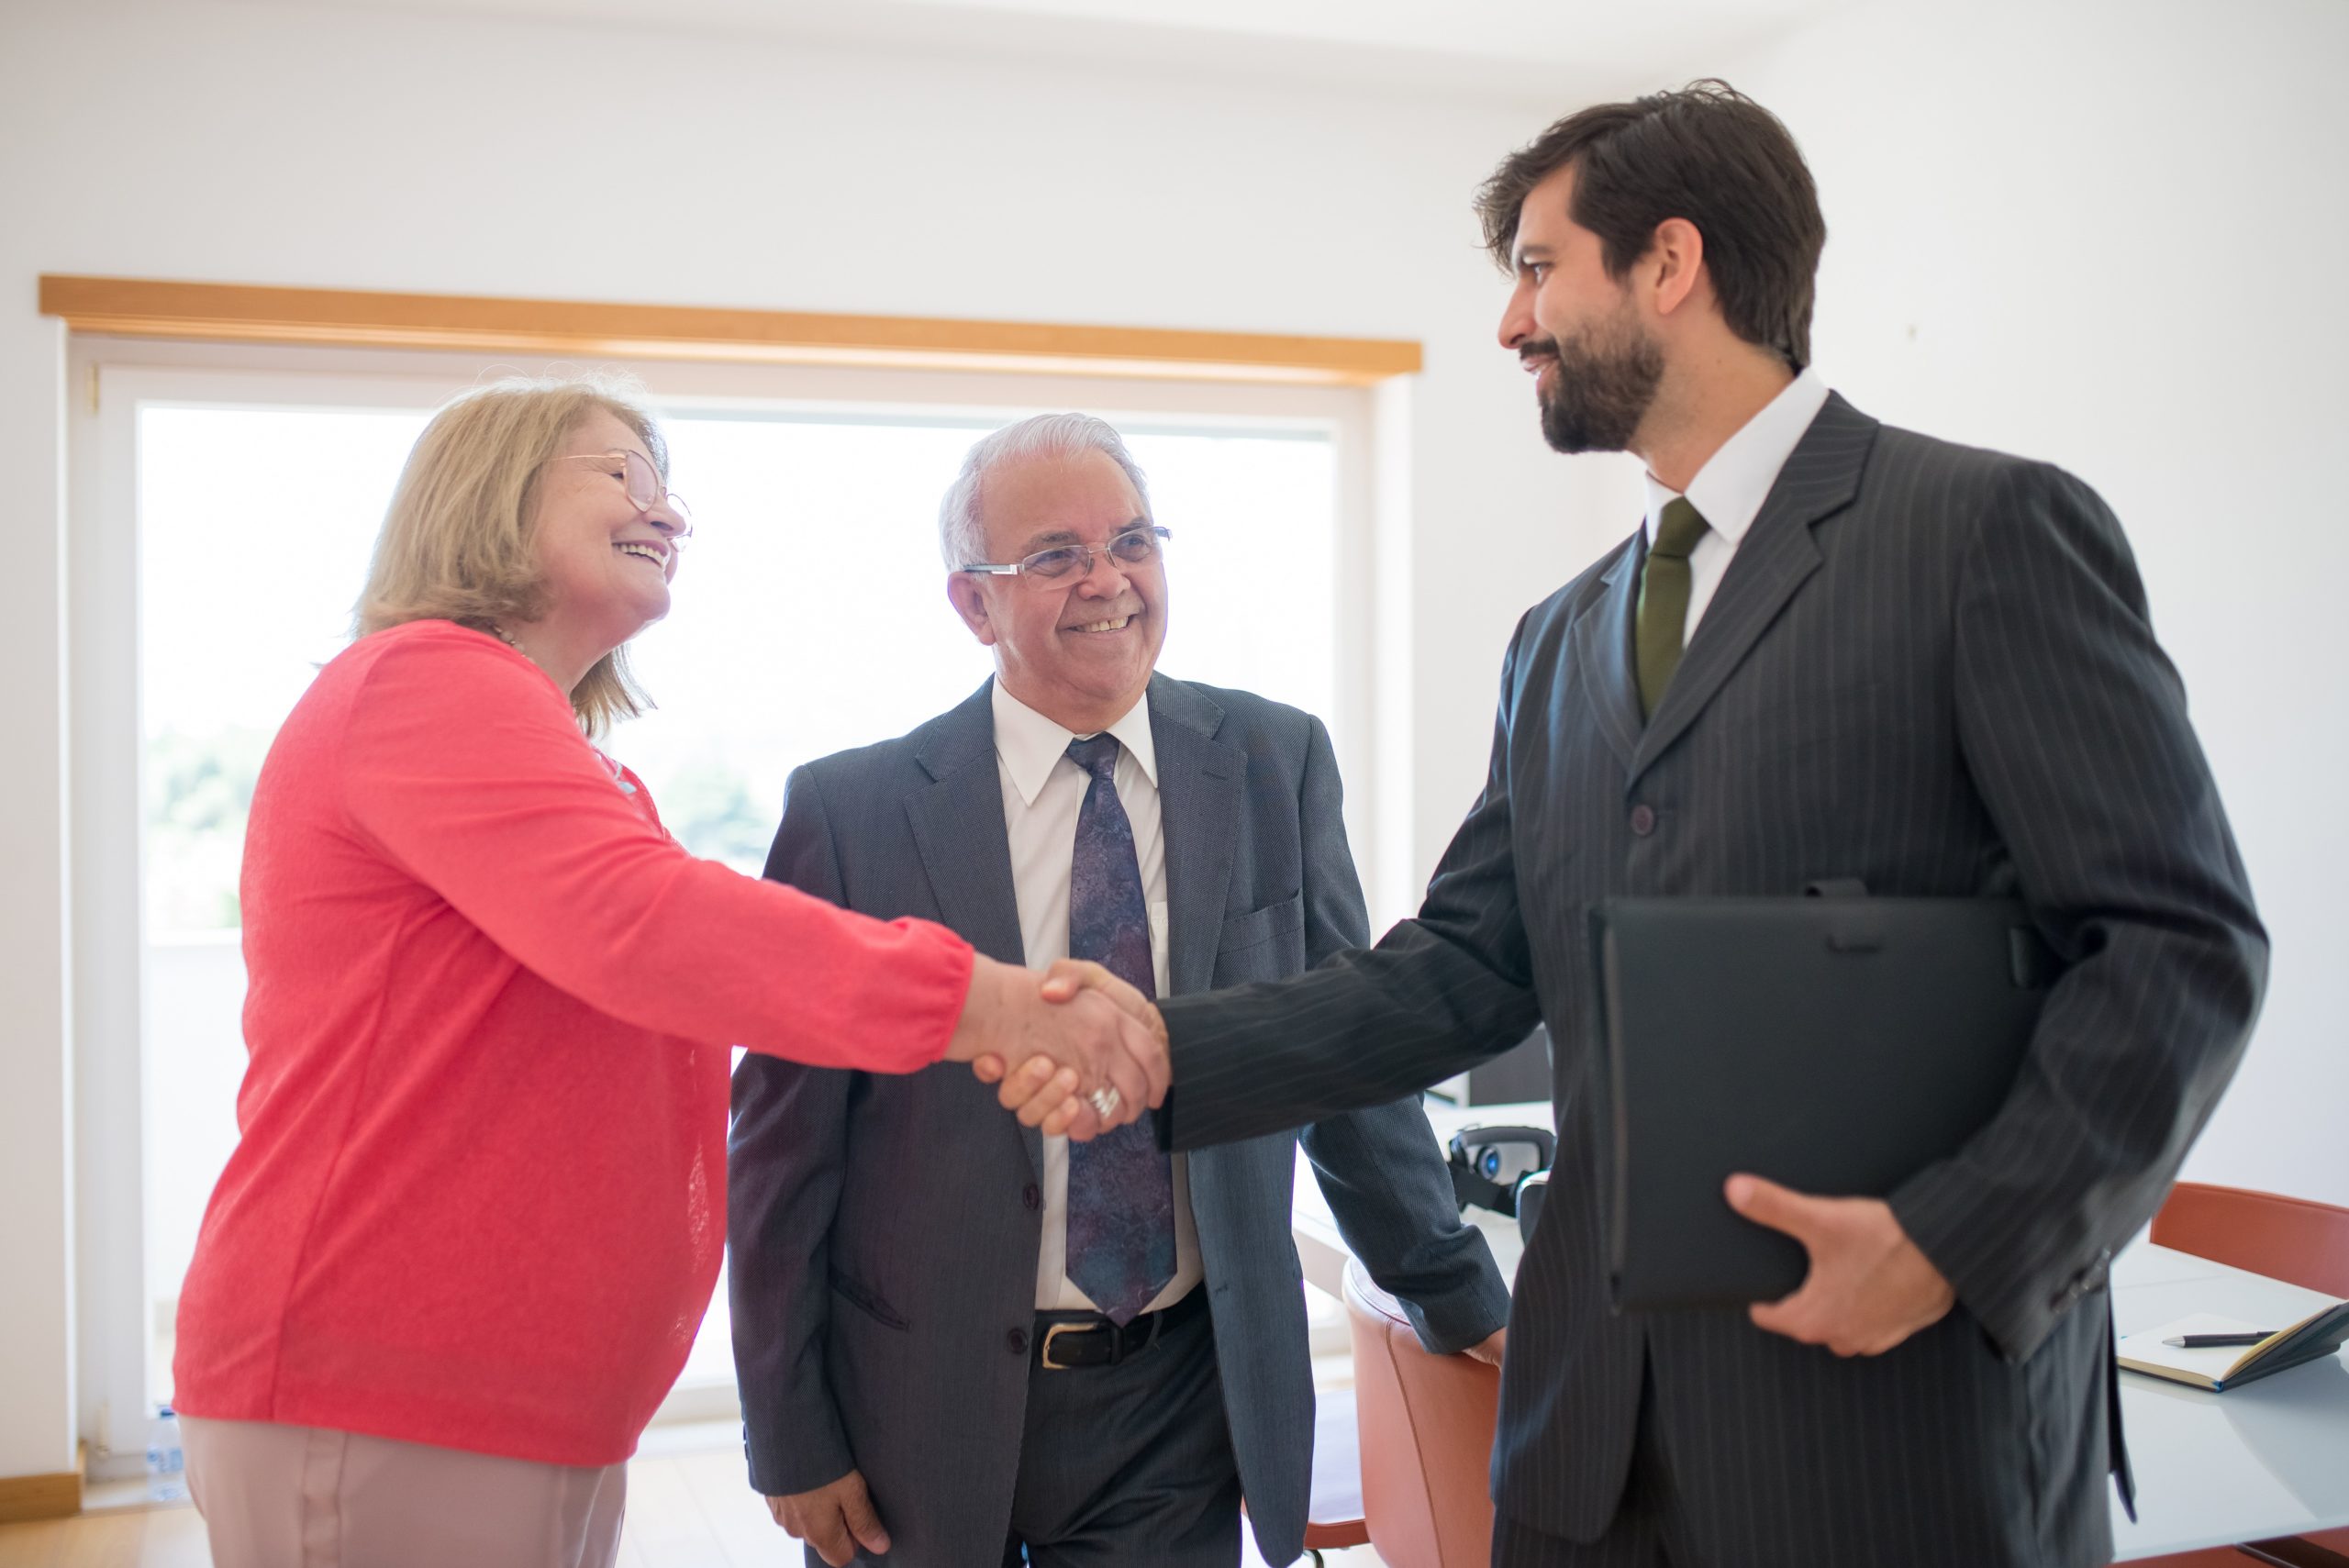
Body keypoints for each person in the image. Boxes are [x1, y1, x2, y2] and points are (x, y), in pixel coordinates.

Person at [1031, 83, 2267, 1567]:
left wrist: (1955, 1238)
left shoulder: (1987, 533)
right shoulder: (1558, 638)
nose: (1510, 322)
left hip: (1901, 1431)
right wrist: (1167, 1048)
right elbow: (1462, 968)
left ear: (1671, 263)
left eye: (1541, 266)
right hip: (1590, 1441)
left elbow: (2180, 946)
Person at [169, 379, 1163, 1568]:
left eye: (668, 486)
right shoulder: (421, 683)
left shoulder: (568, 759)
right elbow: (656, 926)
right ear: (489, 495)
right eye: (622, 474)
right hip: (386, 1385)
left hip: (505, 1402)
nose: (668, 511)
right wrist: (993, 1002)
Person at [727, 413, 1509, 1568]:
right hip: (917, 1400)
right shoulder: (853, 815)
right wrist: (789, 1433)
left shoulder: (1268, 762)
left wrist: (1462, 1299)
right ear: (972, 604)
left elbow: (1345, 1060)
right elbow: (784, 1155)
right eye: (1054, 555)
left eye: (1132, 540)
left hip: (1178, 1399)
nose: (1108, 579)